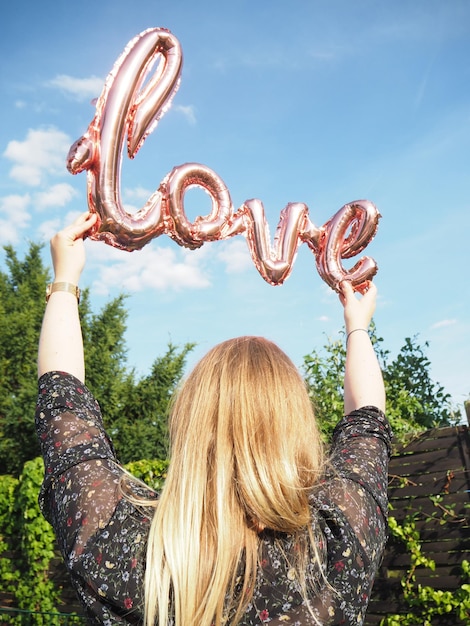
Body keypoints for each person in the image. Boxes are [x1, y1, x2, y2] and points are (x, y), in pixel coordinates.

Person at [36, 211, 391, 626]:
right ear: (297, 427)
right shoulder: (338, 542)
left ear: (189, 426)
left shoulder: (124, 548)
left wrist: (64, 280)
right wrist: (357, 327)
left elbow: (64, 406)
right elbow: (367, 421)